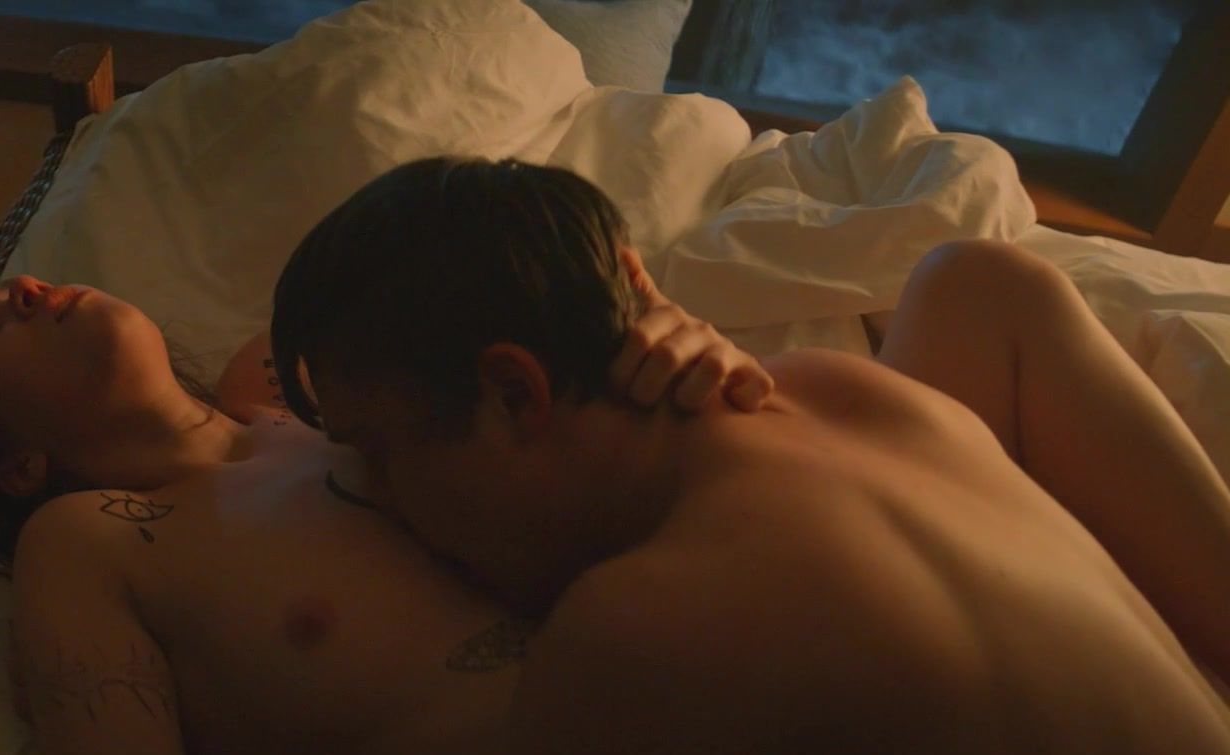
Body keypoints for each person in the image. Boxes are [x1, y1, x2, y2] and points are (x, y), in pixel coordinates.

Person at [271, 156, 1230, 752]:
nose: (377, 495)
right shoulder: (840, 392)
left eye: (381, 451)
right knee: (972, 279)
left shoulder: (635, 631)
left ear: (515, 393)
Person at [0, 257, 768, 753]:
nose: (28, 288)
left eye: (25, 283)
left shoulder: (291, 378)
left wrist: (675, 352)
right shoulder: (88, 538)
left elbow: (543, 362)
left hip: (725, 681)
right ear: (17, 464)